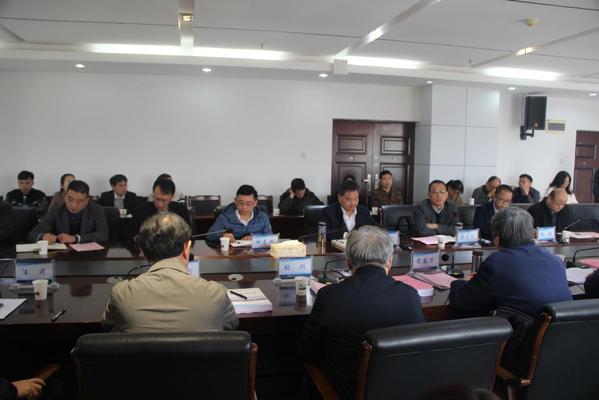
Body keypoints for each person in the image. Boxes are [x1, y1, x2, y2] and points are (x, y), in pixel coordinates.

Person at [299, 226, 424, 400]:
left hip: (342, 392)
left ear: (348, 262)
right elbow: (419, 351)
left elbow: (308, 352)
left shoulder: (330, 296)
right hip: (399, 392)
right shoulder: (410, 296)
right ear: (390, 261)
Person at [103, 212, 238, 332]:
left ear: (143, 252)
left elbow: (108, 325)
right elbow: (231, 325)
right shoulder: (215, 293)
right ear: (187, 248)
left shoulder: (121, 293)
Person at [449, 207, 571, 316]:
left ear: (497, 239)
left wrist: (460, 282)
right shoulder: (555, 260)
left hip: (523, 332)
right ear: (533, 234)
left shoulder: (496, 264)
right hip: (563, 331)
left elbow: (462, 303)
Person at [28, 180, 109, 244]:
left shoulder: (97, 210)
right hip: (62, 255)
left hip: (88, 255)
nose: (73, 205)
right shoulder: (56, 211)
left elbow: (103, 234)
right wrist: (43, 236)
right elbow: (32, 234)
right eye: (70, 199)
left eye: (79, 201)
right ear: (65, 196)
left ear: (87, 201)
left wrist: (75, 238)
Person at [128, 178, 191, 242]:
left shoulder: (181, 210)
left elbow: (189, 233)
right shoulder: (141, 210)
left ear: (172, 197)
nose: (159, 203)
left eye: (164, 200)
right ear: (153, 193)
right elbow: (130, 234)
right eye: (157, 199)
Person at [206, 184, 272, 246]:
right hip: (232, 253)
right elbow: (209, 235)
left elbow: (270, 237)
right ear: (235, 201)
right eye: (241, 203)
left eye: (248, 204)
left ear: (255, 203)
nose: (244, 207)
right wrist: (223, 235)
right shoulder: (224, 217)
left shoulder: (263, 217)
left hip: (256, 253)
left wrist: (254, 237)